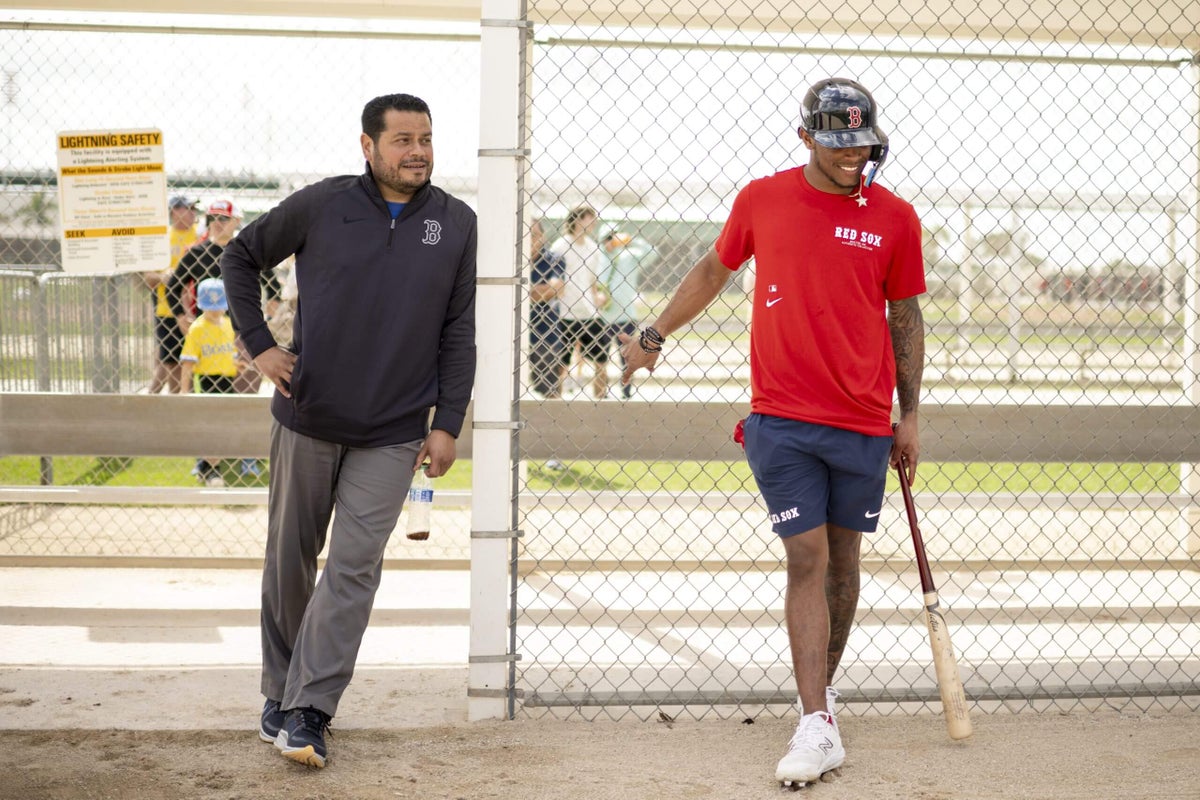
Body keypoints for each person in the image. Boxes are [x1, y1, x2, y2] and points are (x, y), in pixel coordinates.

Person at [620, 77, 926, 787]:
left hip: (860, 419)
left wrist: (910, 414)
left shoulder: (895, 218)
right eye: (838, 145)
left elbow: (905, 319)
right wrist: (654, 334)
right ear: (806, 139)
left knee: (845, 563)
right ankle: (816, 718)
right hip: (782, 418)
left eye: (863, 145)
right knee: (807, 556)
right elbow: (712, 269)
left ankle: (819, 702)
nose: (853, 158)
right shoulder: (763, 199)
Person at [220, 92, 476, 770]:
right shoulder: (322, 204)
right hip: (308, 416)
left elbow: (458, 330)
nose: (417, 151)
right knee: (290, 562)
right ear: (368, 146)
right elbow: (239, 259)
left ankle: (309, 708)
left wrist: (447, 423)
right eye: (402, 140)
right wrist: (258, 343)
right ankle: (279, 692)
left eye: (425, 138)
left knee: (355, 568)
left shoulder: (456, 223)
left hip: (393, 430)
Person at [177, 277, 239, 487]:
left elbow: (231, 352)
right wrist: (184, 390)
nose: (216, 312)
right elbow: (187, 362)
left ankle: (204, 465)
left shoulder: (229, 324)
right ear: (202, 306)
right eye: (211, 308)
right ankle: (213, 470)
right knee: (212, 426)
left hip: (227, 381)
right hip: (207, 381)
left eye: (220, 307)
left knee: (225, 424)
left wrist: (237, 364)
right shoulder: (197, 328)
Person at [548, 204, 610, 399]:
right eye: (588, 218)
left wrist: (596, 296)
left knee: (601, 357)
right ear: (577, 220)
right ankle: (555, 398)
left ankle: (600, 397)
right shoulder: (561, 245)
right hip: (565, 311)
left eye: (593, 219)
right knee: (562, 360)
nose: (592, 223)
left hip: (589, 312)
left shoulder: (594, 248)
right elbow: (553, 277)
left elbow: (592, 280)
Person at [142, 194, 200, 394]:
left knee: (192, 359)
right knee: (172, 361)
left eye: (195, 208)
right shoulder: (161, 237)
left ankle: (156, 395)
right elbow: (147, 278)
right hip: (167, 309)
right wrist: (163, 278)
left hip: (196, 308)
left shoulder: (199, 234)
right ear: (175, 211)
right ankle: (175, 400)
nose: (194, 213)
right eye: (189, 208)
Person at [598, 230, 644, 399]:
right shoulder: (597, 257)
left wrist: (631, 239)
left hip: (626, 316)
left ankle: (626, 391)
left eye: (613, 238)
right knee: (600, 358)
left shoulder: (628, 257)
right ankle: (600, 391)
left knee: (627, 357)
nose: (611, 242)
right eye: (608, 238)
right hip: (602, 316)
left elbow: (651, 252)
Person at [528, 219, 566, 398]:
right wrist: (538, 291)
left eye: (533, 235)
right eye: (524, 236)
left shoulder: (554, 259)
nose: (529, 240)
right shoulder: (507, 260)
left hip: (545, 334)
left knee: (548, 394)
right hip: (510, 336)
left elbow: (555, 289)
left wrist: (520, 291)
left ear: (542, 237)